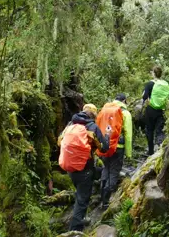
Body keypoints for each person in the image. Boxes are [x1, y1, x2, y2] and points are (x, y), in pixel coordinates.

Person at [57, 103, 109, 232]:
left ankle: (81, 217)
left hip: (69, 167)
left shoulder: (71, 124)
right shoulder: (92, 127)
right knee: (82, 200)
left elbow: (59, 141)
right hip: (85, 169)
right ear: (94, 115)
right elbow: (104, 147)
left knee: (87, 186)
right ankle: (75, 231)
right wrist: (107, 135)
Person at [97, 93, 133, 209]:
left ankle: (101, 196)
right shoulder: (125, 113)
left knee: (105, 169)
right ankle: (106, 201)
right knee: (114, 172)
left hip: (104, 146)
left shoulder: (104, 110)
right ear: (124, 101)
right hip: (118, 148)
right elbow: (128, 134)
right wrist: (128, 153)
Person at [141, 66, 169, 156]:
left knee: (149, 130)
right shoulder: (164, 84)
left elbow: (144, 97)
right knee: (159, 130)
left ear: (153, 73)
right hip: (160, 110)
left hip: (150, 109)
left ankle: (150, 151)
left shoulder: (149, 84)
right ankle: (159, 149)